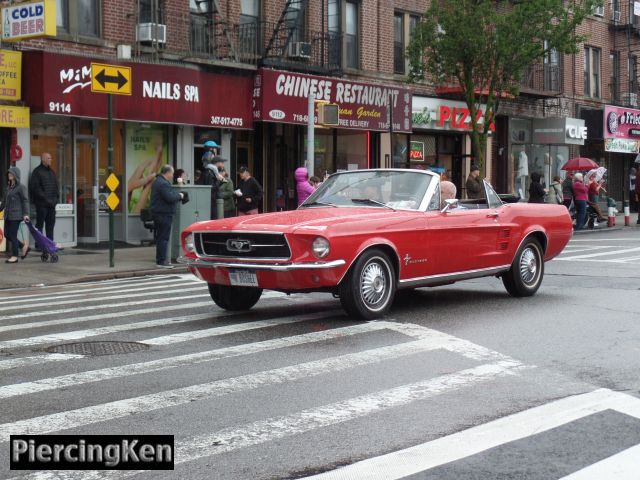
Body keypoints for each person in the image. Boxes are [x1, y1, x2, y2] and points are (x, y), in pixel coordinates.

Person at [150, 165, 184, 268]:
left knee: (161, 238)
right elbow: (169, 198)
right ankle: (161, 261)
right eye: (172, 173)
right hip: (164, 214)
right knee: (163, 238)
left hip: (159, 213)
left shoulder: (158, 181)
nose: (172, 175)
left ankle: (160, 260)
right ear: (167, 172)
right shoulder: (163, 184)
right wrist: (180, 196)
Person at [1, 167, 30, 263]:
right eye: (9, 173)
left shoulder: (21, 187)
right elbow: (4, 202)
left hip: (16, 215)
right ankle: (23, 246)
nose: (9, 174)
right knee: (7, 235)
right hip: (8, 215)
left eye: (11, 173)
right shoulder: (8, 188)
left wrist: (26, 214)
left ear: (16, 175)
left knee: (12, 235)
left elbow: (25, 201)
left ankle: (15, 256)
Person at [29, 152, 59, 245]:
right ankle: (39, 244)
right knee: (39, 226)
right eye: (49, 158)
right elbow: (36, 189)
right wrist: (47, 200)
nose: (51, 160)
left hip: (51, 205)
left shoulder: (52, 172)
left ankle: (50, 244)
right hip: (42, 205)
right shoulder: (37, 172)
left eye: (51, 158)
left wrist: (56, 199)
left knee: (50, 227)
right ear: (43, 159)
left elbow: (56, 187)